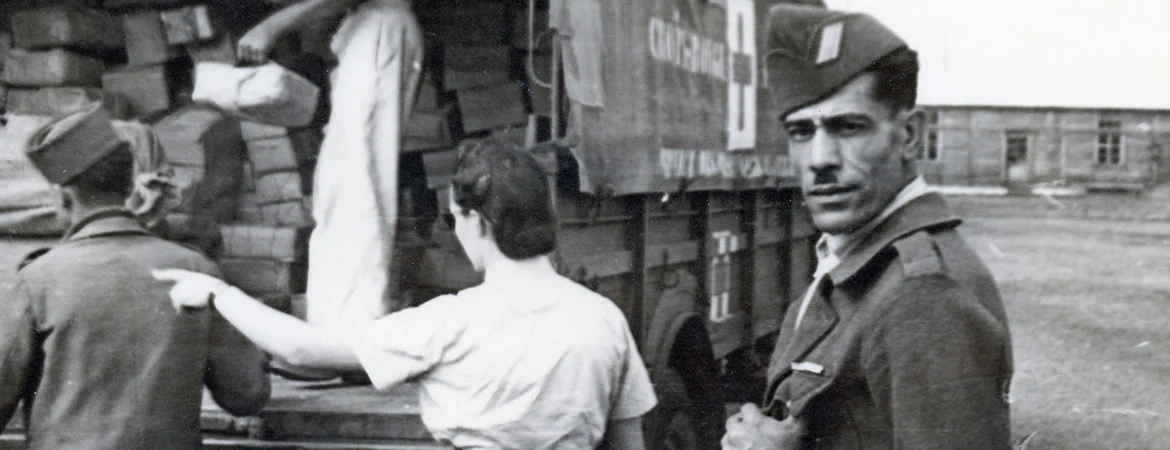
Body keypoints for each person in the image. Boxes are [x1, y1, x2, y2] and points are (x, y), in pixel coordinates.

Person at [154, 139, 658, 449]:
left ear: (478, 223)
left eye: (453, 218)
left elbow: (303, 349)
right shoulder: (604, 319)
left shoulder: (451, 322)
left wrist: (217, 291)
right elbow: (626, 442)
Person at [722, 5, 1014, 449]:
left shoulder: (924, 294)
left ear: (910, 135)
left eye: (848, 127)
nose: (820, 159)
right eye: (801, 131)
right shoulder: (856, 260)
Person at [0, 107, 270, 449]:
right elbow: (246, 395)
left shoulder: (38, 281)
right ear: (129, 184)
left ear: (63, 197)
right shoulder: (196, 272)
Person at [237, 0, 423, 335]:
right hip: (368, 28)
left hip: (379, 26)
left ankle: (351, 335)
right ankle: (339, 331)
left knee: (358, 185)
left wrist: (273, 25)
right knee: (345, 186)